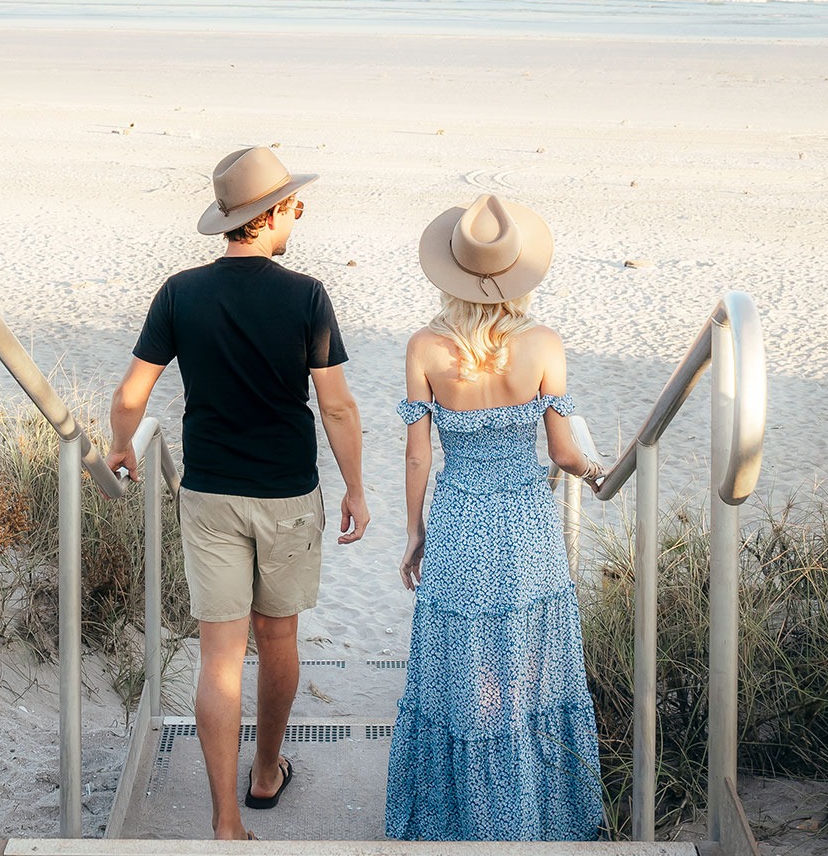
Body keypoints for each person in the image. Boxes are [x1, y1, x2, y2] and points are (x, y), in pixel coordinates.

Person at [101, 145, 370, 842]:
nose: (297, 217)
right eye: (295, 208)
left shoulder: (180, 292)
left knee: (220, 656)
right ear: (273, 215)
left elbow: (132, 393)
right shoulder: (306, 294)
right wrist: (357, 488)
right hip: (286, 492)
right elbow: (337, 408)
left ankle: (225, 823)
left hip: (210, 492)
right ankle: (267, 768)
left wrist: (121, 446)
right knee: (278, 635)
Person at [384, 193, 604, 842]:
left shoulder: (425, 347)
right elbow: (563, 452)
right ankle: (532, 816)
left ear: (450, 273)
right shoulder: (543, 346)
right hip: (526, 527)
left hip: (459, 521)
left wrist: (415, 533)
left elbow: (418, 453)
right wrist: (601, 470)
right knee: (526, 668)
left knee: (463, 667)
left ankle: (465, 820)